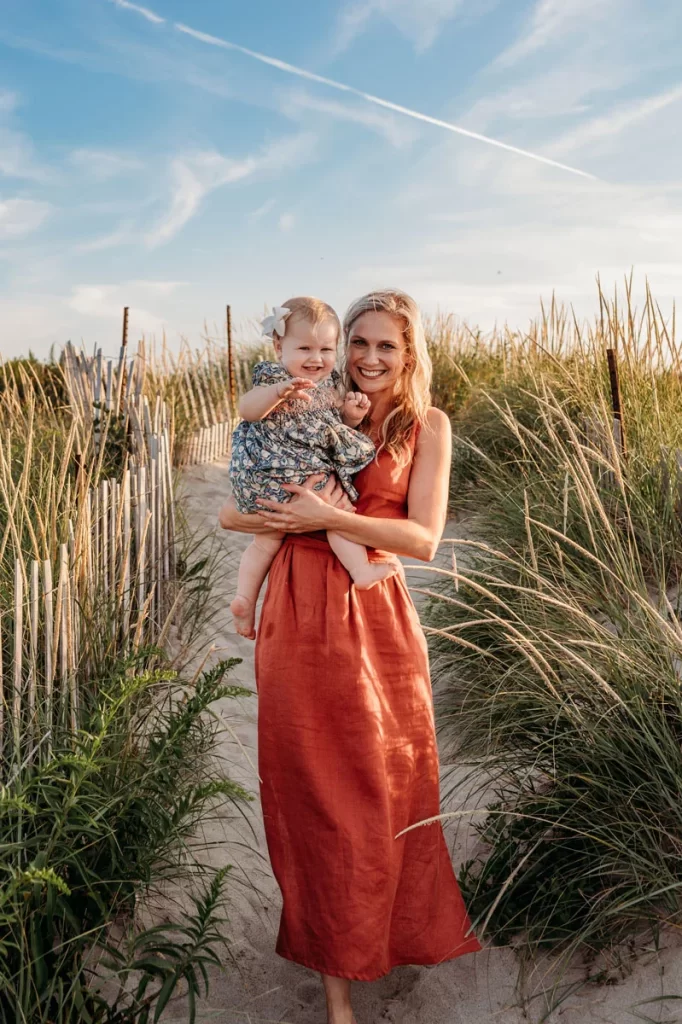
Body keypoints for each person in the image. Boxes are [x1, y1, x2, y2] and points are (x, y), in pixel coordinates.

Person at [219, 290, 480, 1024]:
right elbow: (231, 511)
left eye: (384, 347)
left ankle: (387, 939)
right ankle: (337, 992)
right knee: (317, 793)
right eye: (357, 342)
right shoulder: (311, 402)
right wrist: (300, 516)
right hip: (301, 613)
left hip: (380, 619)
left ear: (409, 354)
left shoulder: (428, 425)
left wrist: (329, 517)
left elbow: (424, 540)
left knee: (390, 789)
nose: (367, 359)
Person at [229, 296, 399, 639]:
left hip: (279, 479)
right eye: (304, 348)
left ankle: (244, 599)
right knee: (336, 507)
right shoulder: (273, 378)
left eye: (325, 349)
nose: (316, 358)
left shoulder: (331, 385)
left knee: (264, 543)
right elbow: (246, 409)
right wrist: (278, 393)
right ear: (279, 346)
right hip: (281, 469)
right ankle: (361, 569)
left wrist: (350, 417)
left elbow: (331, 429)